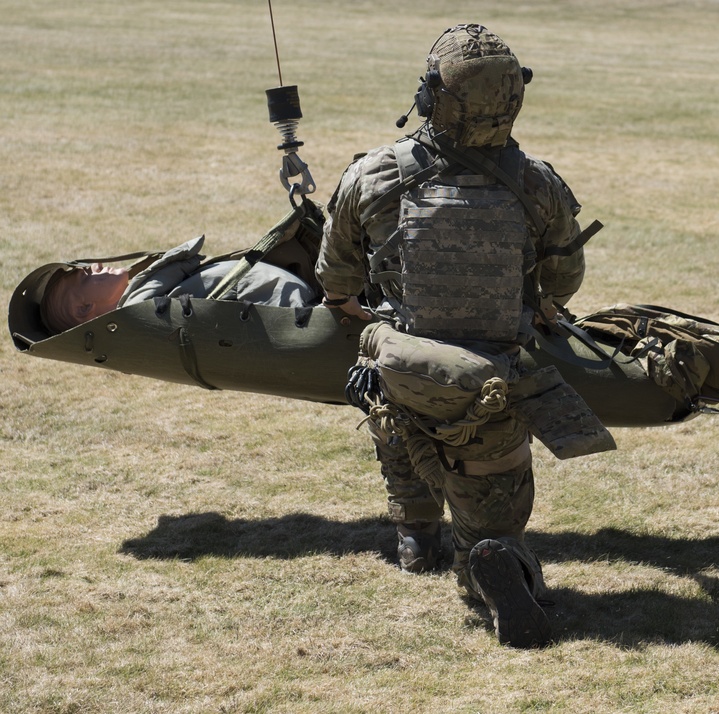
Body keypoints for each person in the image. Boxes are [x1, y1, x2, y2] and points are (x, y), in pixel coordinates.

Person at [317, 23, 593, 648]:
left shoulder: (372, 175)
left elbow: (335, 281)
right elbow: (563, 281)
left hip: (406, 364)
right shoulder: (538, 184)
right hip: (497, 380)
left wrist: (379, 323)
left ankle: (416, 532)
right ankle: (493, 559)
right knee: (493, 500)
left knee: (387, 396)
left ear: (430, 96)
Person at [41, 235, 317, 334]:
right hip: (292, 307)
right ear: (84, 308)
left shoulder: (141, 295)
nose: (94, 266)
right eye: (84, 277)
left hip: (284, 292)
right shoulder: (139, 308)